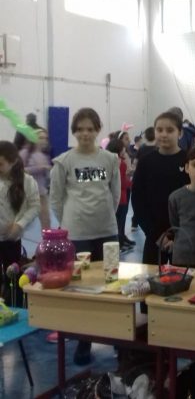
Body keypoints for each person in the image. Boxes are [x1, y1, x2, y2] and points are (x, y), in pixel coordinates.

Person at [49, 107, 120, 365]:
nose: (85, 134)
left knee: (111, 283)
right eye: (80, 129)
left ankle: (118, 335)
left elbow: (115, 194)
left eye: (90, 129)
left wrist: (105, 216)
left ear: (98, 130)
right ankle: (84, 340)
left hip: (107, 230)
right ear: (74, 132)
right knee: (83, 287)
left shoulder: (109, 159)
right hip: (77, 233)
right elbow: (56, 198)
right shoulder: (64, 162)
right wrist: (70, 222)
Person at [131, 111, 190, 265]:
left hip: (183, 236)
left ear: (180, 133)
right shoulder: (146, 162)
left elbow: (194, 201)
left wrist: (179, 236)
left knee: (186, 278)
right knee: (152, 278)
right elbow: (138, 200)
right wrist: (155, 235)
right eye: (159, 130)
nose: (164, 134)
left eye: (170, 130)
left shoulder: (189, 161)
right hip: (154, 237)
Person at [0, 141, 39, 307]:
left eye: (1, 164)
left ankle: (14, 308)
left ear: (13, 161)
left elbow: (34, 206)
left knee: (13, 278)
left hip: (11, 239)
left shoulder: (27, 181)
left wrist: (20, 224)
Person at [105, 138, 134, 251]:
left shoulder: (106, 161)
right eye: (123, 148)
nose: (125, 149)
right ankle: (120, 243)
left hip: (110, 197)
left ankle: (120, 242)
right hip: (121, 197)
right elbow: (122, 183)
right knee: (120, 222)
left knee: (115, 223)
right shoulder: (120, 163)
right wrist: (132, 183)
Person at [19, 129, 52, 229]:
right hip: (26, 193)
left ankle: (47, 238)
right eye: (40, 138)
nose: (43, 140)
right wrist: (39, 168)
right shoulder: (25, 153)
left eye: (45, 138)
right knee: (21, 221)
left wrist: (48, 171)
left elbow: (44, 176)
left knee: (46, 220)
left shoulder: (43, 155)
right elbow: (18, 171)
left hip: (41, 193)